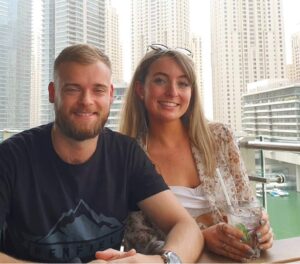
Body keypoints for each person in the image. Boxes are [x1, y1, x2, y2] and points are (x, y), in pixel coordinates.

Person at [0, 44, 204, 263]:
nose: (87, 100)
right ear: (53, 93)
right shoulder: (12, 157)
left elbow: (185, 226)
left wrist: (157, 261)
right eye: (73, 89)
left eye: (97, 90)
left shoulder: (125, 155)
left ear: (110, 95)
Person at [119, 43, 274, 262]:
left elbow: (247, 205)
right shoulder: (128, 154)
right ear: (140, 90)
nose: (173, 91)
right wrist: (199, 238)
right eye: (160, 80)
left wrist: (262, 230)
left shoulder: (220, 137)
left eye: (183, 83)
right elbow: (137, 239)